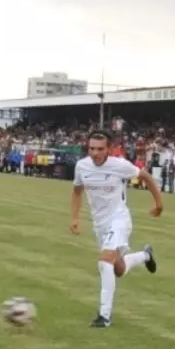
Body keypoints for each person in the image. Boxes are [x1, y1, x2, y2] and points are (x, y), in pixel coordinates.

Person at [70, 131, 163, 327]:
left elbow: (145, 176)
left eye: (100, 149)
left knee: (105, 263)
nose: (95, 153)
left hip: (119, 219)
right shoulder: (82, 166)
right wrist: (76, 217)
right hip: (100, 225)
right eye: (91, 148)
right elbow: (77, 191)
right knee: (118, 269)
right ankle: (146, 255)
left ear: (109, 149)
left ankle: (104, 316)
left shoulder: (119, 165)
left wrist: (159, 203)